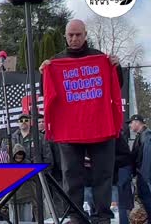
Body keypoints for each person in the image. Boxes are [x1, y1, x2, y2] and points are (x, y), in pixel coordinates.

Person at [39, 19, 123, 224]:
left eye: (78, 35)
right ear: (65, 36)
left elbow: (116, 85)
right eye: (70, 35)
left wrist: (115, 67)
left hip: (99, 125)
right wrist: (44, 74)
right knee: (71, 175)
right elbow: (48, 93)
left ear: (85, 35)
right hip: (70, 129)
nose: (74, 39)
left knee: (103, 174)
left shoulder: (100, 59)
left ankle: (102, 216)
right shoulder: (55, 62)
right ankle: (75, 215)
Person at [128, 114, 151, 221]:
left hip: (144, 175)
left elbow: (147, 157)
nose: (130, 126)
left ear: (137, 122)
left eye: (131, 123)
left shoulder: (146, 136)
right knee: (144, 197)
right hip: (141, 174)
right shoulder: (141, 135)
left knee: (147, 198)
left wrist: (145, 176)